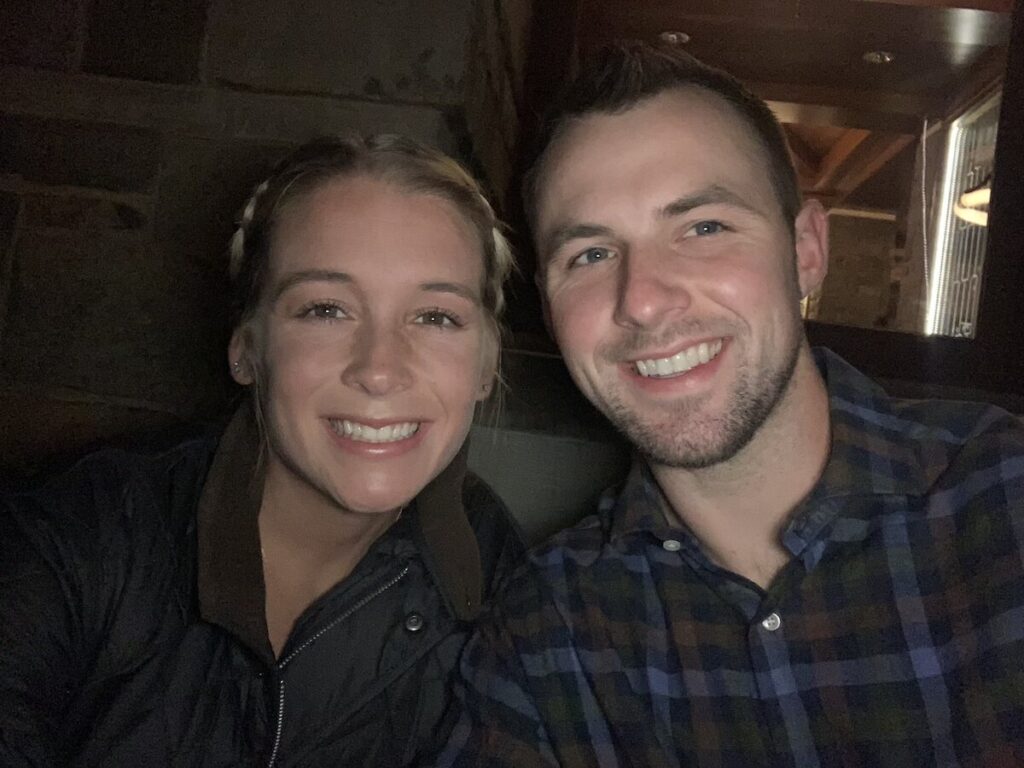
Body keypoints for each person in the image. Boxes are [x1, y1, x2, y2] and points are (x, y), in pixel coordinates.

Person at [435, 44, 1024, 767]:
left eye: (704, 227)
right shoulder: (545, 631)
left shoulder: (1005, 502)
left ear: (806, 249)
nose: (644, 299)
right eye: (589, 255)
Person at [0, 134, 525, 767]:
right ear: (247, 348)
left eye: (436, 317)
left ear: (485, 366)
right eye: (326, 309)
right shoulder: (79, 537)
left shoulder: (507, 585)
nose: (380, 370)